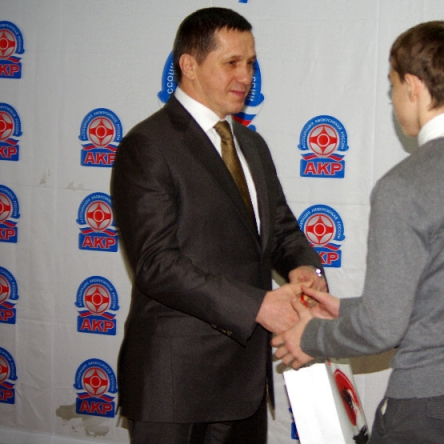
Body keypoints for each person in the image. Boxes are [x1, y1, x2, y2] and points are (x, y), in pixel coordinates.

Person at [273, 20, 444, 444]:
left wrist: (311, 337)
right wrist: (346, 310)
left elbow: (383, 329)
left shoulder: (405, 185)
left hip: (438, 406)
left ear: (412, 86)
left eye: (393, 85)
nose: (393, 97)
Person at [110, 7, 326, 444]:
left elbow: (279, 228)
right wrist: (258, 306)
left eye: (251, 63)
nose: (246, 76)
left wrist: (304, 267)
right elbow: (155, 264)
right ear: (189, 65)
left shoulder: (251, 143)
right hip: (176, 385)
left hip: (245, 385)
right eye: (232, 62)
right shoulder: (148, 145)